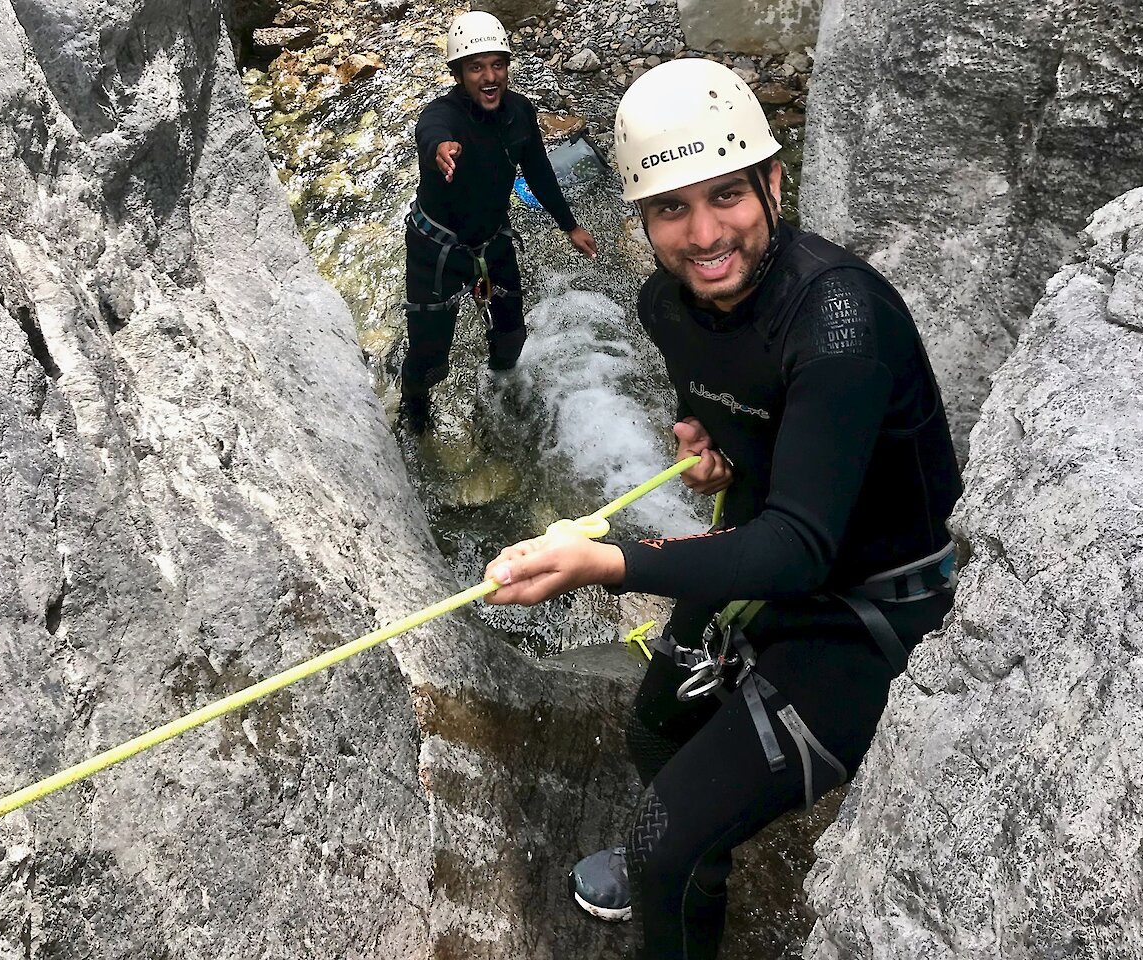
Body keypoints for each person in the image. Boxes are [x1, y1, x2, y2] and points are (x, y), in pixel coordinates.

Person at [483, 57, 963, 960]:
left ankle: (675, 863)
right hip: (768, 552)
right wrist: (717, 453)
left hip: (866, 613)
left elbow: (800, 547)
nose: (706, 234)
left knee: (660, 840)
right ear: (642, 219)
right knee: (654, 725)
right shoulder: (668, 306)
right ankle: (693, 866)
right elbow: (736, 419)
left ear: (775, 183)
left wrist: (611, 562)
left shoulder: (839, 323)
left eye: (728, 197)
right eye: (671, 208)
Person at [400, 11, 597, 432]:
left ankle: (501, 393)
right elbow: (430, 131)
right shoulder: (443, 116)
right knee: (431, 357)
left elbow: (539, 170)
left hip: (491, 241)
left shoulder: (519, 112)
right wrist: (440, 150)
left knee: (512, 337)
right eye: (476, 67)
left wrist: (569, 225)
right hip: (437, 248)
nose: (490, 77)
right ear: (458, 73)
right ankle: (414, 409)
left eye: (498, 64)